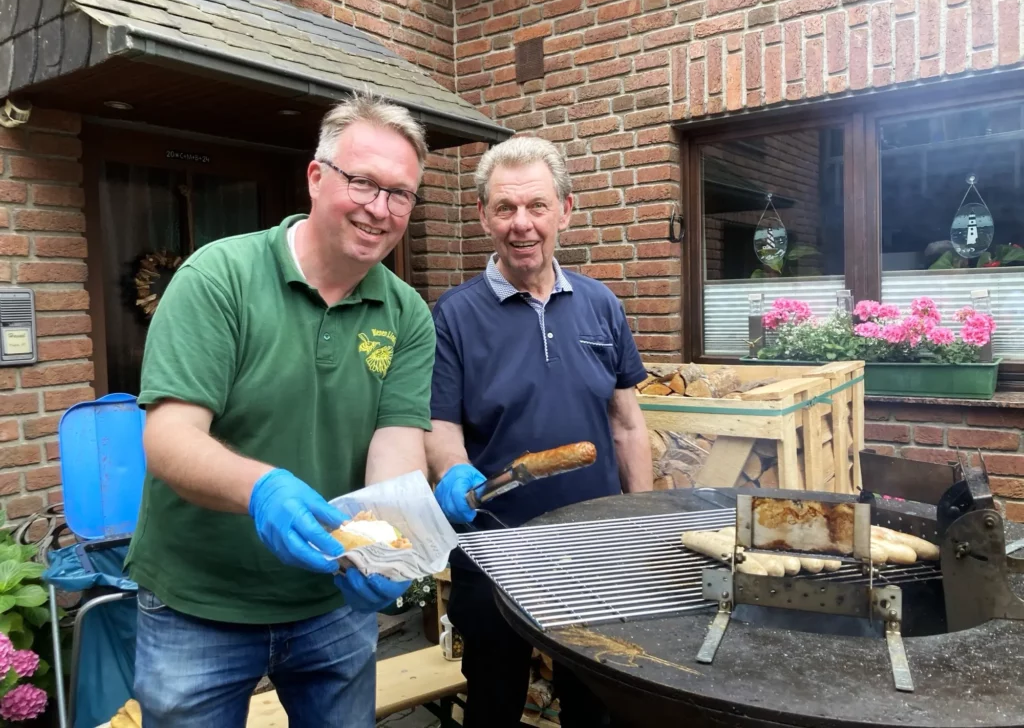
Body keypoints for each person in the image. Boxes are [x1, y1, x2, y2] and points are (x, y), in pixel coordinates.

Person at [124, 93, 437, 727]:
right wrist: (260, 487)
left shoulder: (407, 313)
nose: (380, 209)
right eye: (363, 183)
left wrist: (388, 552)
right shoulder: (221, 277)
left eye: (399, 193)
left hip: (332, 601)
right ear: (317, 177)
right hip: (199, 603)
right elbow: (168, 436)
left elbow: (396, 443)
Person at [425, 135, 654, 728]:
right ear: (482, 216)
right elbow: (440, 423)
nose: (521, 224)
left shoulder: (602, 305)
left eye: (536, 206)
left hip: (593, 549)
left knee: (596, 702)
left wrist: (646, 520)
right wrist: (451, 468)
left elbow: (627, 424)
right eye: (504, 208)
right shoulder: (453, 315)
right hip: (496, 546)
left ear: (566, 211)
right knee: (495, 701)